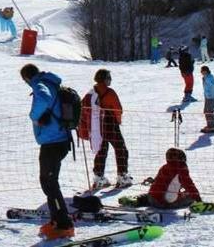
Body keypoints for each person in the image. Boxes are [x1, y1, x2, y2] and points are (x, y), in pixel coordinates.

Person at [19, 63, 74, 239]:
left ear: (27, 77)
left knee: (49, 182)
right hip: (59, 139)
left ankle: (64, 225)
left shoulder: (39, 84)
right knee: (49, 181)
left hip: (53, 141)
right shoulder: (50, 82)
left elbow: (43, 97)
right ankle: (56, 220)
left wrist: (34, 117)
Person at [81, 69, 132, 188]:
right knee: (121, 149)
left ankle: (99, 178)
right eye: (109, 77)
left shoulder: (91, 93)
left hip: (96, 126)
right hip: (110, 124)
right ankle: (122, 176)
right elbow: (118, 109)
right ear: (104, 79)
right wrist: (117, 121)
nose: (110, 80)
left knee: (101, 150)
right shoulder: (109, 92)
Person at [125, 148, 201, 208]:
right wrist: (198, 199)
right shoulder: (181, 169)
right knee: (190, 197)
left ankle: (139, 200)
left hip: (152, 197)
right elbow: (189, 185)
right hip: (163, 202)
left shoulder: (164, 167)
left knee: (155, 193)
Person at [200, 66, 214, 133]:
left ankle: (213, 126)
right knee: (206, 111)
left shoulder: (209, 78)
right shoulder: (205, 77)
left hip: (212, 97)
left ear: (207, 71)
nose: (202, 72)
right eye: (201, 71)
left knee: (209, 111)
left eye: (204, 71)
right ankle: (210, 125)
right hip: (208, 97)